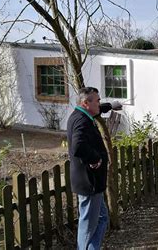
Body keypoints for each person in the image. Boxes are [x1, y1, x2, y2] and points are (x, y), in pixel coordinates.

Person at [68, 87, 109, 250]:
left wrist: (110, 106)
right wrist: (95, 158)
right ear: (86, 103)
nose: (99, 103)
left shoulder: (82, 114)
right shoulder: (81, 120)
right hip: (89, 182)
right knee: (87, 227)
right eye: (97, 100)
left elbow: (97, 110)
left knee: (101, 218)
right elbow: (78, 146)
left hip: (92, 182)